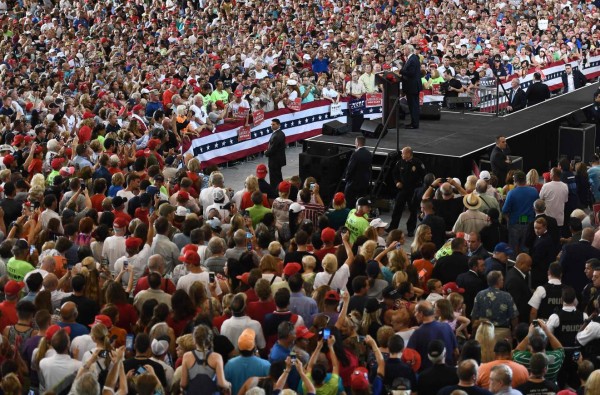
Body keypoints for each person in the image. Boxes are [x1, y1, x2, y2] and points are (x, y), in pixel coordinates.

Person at [407, 300, 459, 371]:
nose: (415, 314)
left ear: (421, 314)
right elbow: (456, 351)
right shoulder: (446, 327)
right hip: (448, 372)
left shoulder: (417, 333)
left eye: (416, 311)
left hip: (426, 375)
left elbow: (408, 357)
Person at [388, 146, 426, 236]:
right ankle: (392, 227)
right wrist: (397, 182)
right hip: (403, 190)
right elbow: (395, 173)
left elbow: (423, 175)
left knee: (413, 211)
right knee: (397, 208)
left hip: (413, 191)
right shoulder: (400, 162)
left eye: (403, 153)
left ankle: (411, 229)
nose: (401, 155)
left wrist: (419, 188)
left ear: (408, 154)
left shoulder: (417, 163)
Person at [471, 271, 519, 342]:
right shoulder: (507, 296)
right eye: (502, 279)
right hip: (502, 334)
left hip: (483, 332)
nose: (503, 281)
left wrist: (474, 332)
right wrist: (514, 333)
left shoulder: (479, 295)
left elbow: (474, 316)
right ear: (498, 281)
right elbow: (514, 317)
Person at [502, 170, 539, 254]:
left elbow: (504, 210)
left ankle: (512, 265)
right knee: (526, 248)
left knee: (512, 248)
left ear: (515, 180)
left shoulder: (511, 193)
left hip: (515, 223)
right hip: (530, 223)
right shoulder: (534, 191)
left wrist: (508, 220)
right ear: (525, 180)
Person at [343, 135, 372, 209]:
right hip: (364, 182)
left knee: (349, 200)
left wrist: (347, 178)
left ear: (357, 143)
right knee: (361, 202)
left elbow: (350, 168)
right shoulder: (369, 154)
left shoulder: (355, 154)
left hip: (354, 183)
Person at [504, 253, 533, 324]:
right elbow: (515, 304)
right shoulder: (514, 279)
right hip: (519, 321)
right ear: (521, 264)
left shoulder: (513, 273)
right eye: (528, 265)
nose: (530, 268)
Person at [400, 45, 422, 129]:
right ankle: (413, 123)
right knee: (413, 106)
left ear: (409, 50)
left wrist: (400, 70)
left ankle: (414, 124)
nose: (403, 50)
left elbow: (411, 73)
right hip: (411, 86)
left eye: (404, 49)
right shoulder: (412, 58)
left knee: (413, 106)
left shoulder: (412, 59)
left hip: (412, 87)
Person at [264, 118, 286, 189]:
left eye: (274, 124)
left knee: (274, 178)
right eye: (271, 124)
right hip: (278, 160)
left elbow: (273, 148)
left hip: (275, 160)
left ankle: (275, 190)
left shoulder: (277, 135)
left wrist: (266, 153)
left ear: (278, 125)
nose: (272, 126)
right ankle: (281, 188)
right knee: (278, 176)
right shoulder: (280, 133)